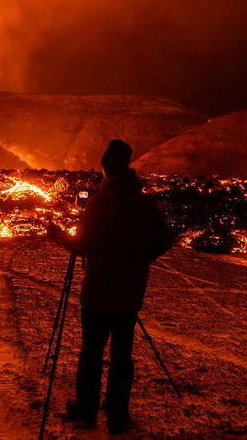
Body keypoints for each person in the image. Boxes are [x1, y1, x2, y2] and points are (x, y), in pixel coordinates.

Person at [47, 139, 174, 435]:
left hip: (99, 291)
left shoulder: (99, 203)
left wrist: (56, 236)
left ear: (106, 168)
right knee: (121, 355)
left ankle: (86, 409)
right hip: (129, 292)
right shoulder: (144, 204)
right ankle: (117, 415)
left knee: (91, 353)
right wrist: (142, 258)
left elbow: (84, 246)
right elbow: (166, 238)